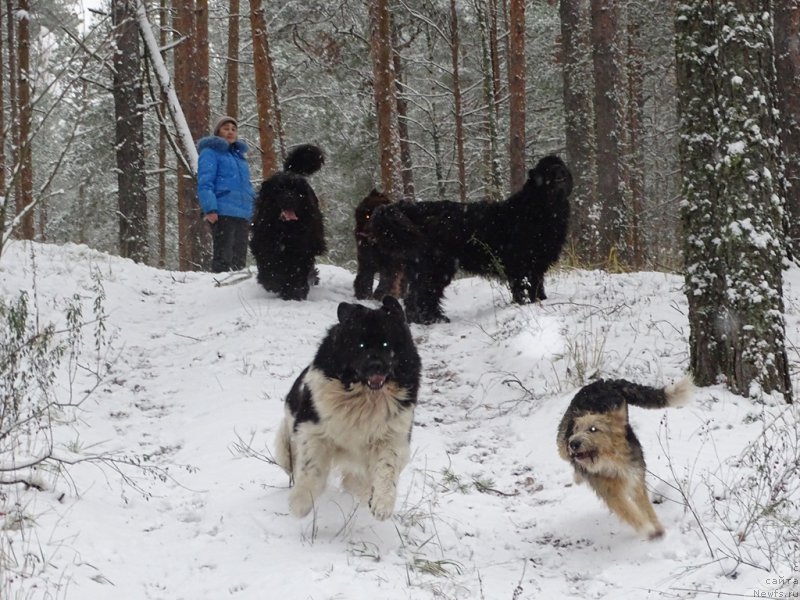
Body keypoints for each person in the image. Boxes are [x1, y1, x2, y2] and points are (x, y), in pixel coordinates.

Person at [197, 116, 255, 273]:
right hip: (222, 210)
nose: (230, 132)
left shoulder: (240, 158)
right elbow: (205, 182)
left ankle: (236, 292)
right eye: (226, 128)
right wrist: (210, 208)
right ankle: (219, 292)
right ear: (218, 132)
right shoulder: (210, 152)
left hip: (243, 213)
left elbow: (247, 186)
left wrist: (255, 209)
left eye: (233, 129)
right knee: (224, 256)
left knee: (239, 258)